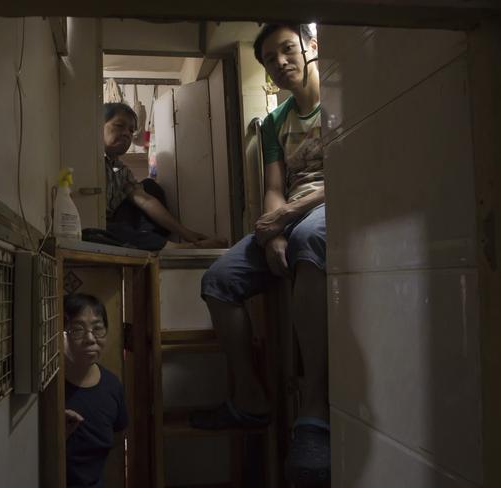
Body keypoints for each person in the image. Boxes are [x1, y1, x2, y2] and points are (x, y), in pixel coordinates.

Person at [191, 24, 330, 485]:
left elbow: (350, 170)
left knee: (310, 239)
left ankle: (314, 411)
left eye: (288, 50)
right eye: (270, 58)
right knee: (218, 279)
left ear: (310, 47)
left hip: (331, 207)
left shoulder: (340, 94)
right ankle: (251, 399)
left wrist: (288, 215)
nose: (281, 62)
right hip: (289, 212)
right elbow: (273, 188)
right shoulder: (274, 122)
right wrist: (271, 233)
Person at [103, 102, 227, 251]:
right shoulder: (88, 164)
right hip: (97, 227)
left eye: (131, 130)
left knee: (150, 187)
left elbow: (145, 201)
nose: (126, 134)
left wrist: (187, 233)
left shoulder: (121, 171)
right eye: (119, 126)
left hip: (123, 228)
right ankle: (175, 248)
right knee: (110, 228)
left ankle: (153, 242)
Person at [63, 293, 128, 488]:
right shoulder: (49, 388)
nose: (90, 339)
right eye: (77, 330)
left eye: (98, 328)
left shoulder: (112, 385)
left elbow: (119, 434)